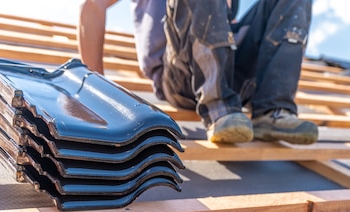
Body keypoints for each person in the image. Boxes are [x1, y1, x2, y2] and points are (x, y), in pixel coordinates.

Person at [78, 0, 318, 145]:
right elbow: (92, 5)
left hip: (231, 73)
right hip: (181, 76)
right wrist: (97, 91)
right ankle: (219, 108)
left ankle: (272, 111)